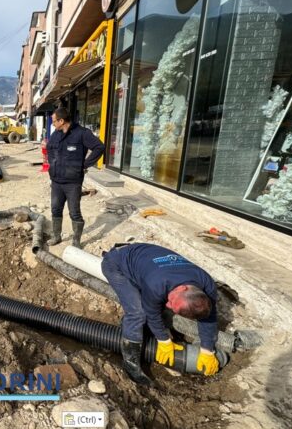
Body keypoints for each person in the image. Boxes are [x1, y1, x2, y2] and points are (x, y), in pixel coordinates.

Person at [100, 243, 220, 386]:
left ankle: (138, 332)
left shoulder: (207, 284)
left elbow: (209, 317)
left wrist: (207, 350)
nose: (168, 305)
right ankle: (130, 364)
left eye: (172, 303)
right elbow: (152, 313)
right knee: (138, 313)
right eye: (171, 301)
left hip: (147, 262)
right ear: (182, 288)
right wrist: (164, 341)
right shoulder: (156, 283)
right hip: (116, 263)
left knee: (157, 304)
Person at [46, 106, 105, 248]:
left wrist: (84, 165)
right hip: (56, 181)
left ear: (61, 120)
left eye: (54, 121)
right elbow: (50, 149)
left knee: (74, 212)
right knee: (55, 209)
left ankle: (76, 241)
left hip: (73, 183)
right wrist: (52, 166)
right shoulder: (56, 134)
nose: (53, 124)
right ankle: (56, 236)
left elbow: (99, 147)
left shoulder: (82, 133)